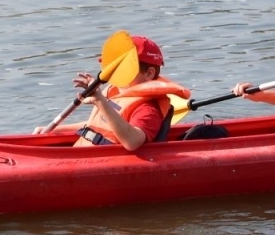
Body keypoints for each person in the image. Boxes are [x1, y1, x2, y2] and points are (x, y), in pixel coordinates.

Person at [62, 36, 191, 151]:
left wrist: (99, 101)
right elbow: (94, 125)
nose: (117, 74)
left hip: (105, 164)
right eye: (116, 68)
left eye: (125, 69)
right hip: (83, 155)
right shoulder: (115, 92)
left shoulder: (147, 109)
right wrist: (48, 132)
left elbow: (133, 142)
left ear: (149, 74)